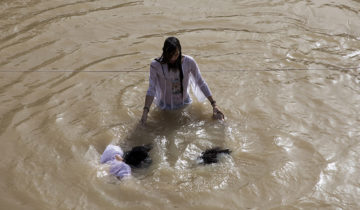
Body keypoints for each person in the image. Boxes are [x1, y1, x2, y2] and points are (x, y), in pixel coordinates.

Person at [140, 37, 224, 125]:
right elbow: (151, 89)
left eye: (175, 54)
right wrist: (145, 112)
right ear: (164, 52)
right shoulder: (156, 65)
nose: (172, 58)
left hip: (185, 105)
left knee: (216, 123)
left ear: (180, 51)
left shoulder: (189, 62)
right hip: (164, 108)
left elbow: (200, 82)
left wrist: (214, 104)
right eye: (170, 55)